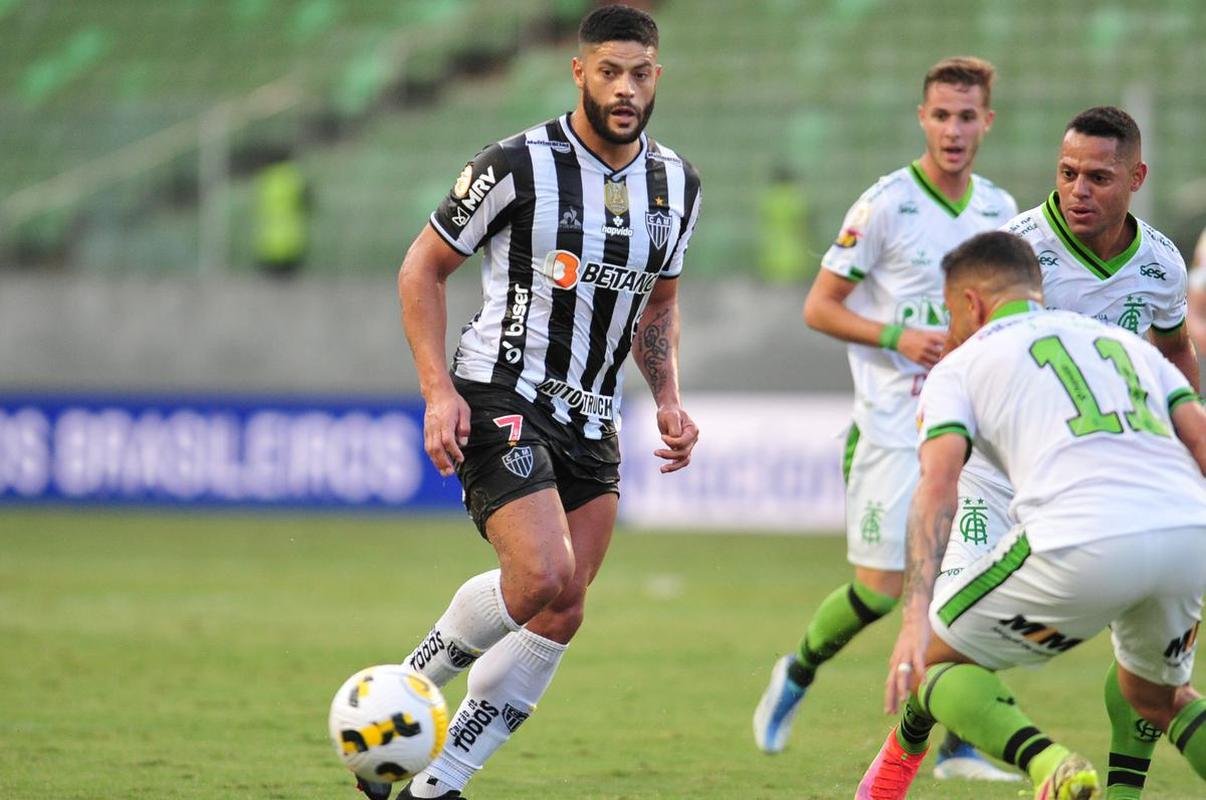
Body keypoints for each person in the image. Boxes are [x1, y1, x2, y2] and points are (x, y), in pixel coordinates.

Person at [379, 6, 701, 800]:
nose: (625, 89)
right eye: (609, 72)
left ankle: (438, 783)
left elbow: (657, 306)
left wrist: (667, 397)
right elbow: (421, 270)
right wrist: (436, 392)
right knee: (540, 575)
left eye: (640, 73)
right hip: (502, 390)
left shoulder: (677, 184)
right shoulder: (516, 164)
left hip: (594, 414)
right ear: (579, 73)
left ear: (657, 76)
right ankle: (406, 691)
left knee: (564, 609)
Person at [854, 230, 1206, 800]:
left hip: (1082, 535)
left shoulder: (960, 366)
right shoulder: (1128, 345)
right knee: (1159, 699)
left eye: (951, 313)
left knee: (931, 665)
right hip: (1189, 530)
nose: (950, 329)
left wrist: (916, 616)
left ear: (971, 304)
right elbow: (1201, 443)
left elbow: (938, 485)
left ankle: (1050, 764)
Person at [753, 56, 1020, 782]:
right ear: (922, 118)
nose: (955, 129)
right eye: (942, 115)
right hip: (892, 428)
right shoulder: (885, 205)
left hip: (968, 433)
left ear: (987, 122)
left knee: (977, 580)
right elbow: (820, 306)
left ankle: (959, 746)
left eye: (968, 116)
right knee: (881, 591)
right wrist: (896, 336)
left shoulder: (1001, 211)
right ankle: (799, 670)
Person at [930, 106, 1200, 800]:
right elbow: (967, 351)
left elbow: (1174, 349)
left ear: (1137, 178)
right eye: (1067, 173)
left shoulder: (1161, 261)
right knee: (949, 629)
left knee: (937, 650)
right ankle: (951, 749)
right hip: (1002, 480)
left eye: (1099, 178)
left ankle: (1043, 763)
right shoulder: (1020, 251)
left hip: (1106, 484)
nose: (1078, 190)